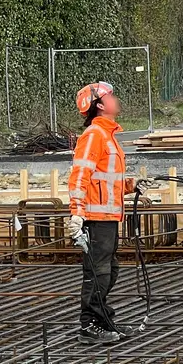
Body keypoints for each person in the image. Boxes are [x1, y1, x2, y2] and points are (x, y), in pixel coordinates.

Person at [67, 81, 139, 344]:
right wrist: (77, 212)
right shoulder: (94, 136)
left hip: (108, 218)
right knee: (97, 273)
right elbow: (80, 175)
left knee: (109, 271)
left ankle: (102, 319)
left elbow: (104, 178)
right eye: (111, 96)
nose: (115, 99)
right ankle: (89, 326)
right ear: (100, 105)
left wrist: (130, 186)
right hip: (95, 219)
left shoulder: (107, 136)